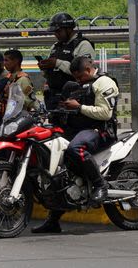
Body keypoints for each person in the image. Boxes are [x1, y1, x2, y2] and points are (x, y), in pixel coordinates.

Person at [32, 56, 119, 234]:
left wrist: (78, 107)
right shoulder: (77, 86)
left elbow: (105, 113)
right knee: (56, 170)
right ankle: (53, 221)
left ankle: (99, 185)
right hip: (78, 130)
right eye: (75, 78)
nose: (77, 81)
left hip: (99, 131)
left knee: (74, 149)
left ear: (88, 70)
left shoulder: (104, 82)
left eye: (79, 77)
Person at [38, 12, 95, 113]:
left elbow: (83, 71)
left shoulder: (83, 45)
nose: (56, 34)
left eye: (58, 31)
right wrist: (45, 68)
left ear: (68, 29)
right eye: (54, 32)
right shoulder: (55, 46)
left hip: (73, 97)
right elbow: (50, 72)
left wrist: (57, 63)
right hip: (53, 97)